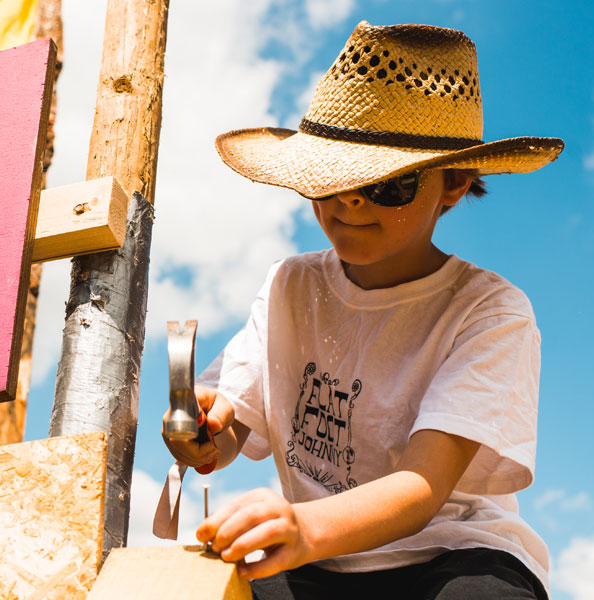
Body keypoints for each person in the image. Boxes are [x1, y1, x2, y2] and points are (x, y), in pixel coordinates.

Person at [160, 21, 563, 599]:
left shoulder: (489, 313)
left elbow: (423, 485)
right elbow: (230, 432)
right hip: (314, 559)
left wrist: (304, 527)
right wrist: (203, 434)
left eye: (386, 186)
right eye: (333, 180)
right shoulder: (288, 286)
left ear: (453, 184)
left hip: (446, 556)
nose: (350, 201)